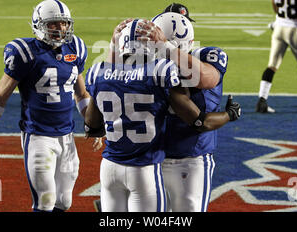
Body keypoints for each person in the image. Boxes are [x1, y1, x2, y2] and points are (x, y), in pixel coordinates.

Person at [83, 19, 241, 212]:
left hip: (110, 166)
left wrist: (113, 48)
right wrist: (229, 114)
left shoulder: (99, 72)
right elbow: (200, 121)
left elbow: (91, 127)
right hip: (147, 166)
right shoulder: (159, 73)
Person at [0, 0, 94, 212]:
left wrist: (93, 125)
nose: (61, 29)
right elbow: (0, 96)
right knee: (45, 201)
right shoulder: (24, 52)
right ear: (39, 25)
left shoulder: (76, 48)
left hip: (67, 136)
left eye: (64, 23)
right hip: (38, 136)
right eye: (54, 24)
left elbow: (81, 93)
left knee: (64, 202)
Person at [136, 5, 237, 212]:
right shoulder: (147, 61)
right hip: (155, 154)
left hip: (190, 155)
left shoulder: (206, 56)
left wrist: (166, 49)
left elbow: (206, 79)